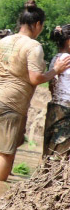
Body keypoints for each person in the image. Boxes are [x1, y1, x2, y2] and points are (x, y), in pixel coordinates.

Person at [0, 1, 70, 181]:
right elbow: (35, 79)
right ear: (37, 24)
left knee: (15, 139)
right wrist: (55, 71)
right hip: (11, 102)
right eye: (41, 26)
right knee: (6, 153)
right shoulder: (33, 46)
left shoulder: (3, 41)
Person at [43, 25, 70, 160]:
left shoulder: (56, 58)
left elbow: (51, 86)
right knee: (61, 154)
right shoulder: (67, 59)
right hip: (66, 110)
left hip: (55, 107)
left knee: (50, 150)